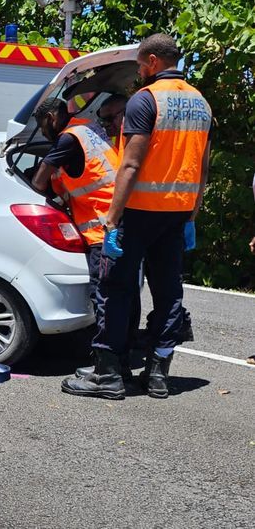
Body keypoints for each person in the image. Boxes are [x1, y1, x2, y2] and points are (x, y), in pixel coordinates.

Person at [62, 33, 212, 400]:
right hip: (176, 213)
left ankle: (109, 374)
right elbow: (203, 166)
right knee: (168, 293)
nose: (141, 72)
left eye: (142, 65)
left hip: (139, 212)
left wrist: (112, 219)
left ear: (154, 62)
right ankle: (158, 374)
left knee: (116, 289)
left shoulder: (146, 101)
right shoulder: (201, 103)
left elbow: (130, 164)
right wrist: (192, 213)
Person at [29, 98, 134, 376]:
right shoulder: (88, 131)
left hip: (103, 229)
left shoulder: (67, 140)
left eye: (42, 125)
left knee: (106, 297)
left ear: (52, 117)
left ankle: (107, 370)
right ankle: (123, 361)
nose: (42, 132)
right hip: (122, 221)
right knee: (124, 295)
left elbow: (38, 183)